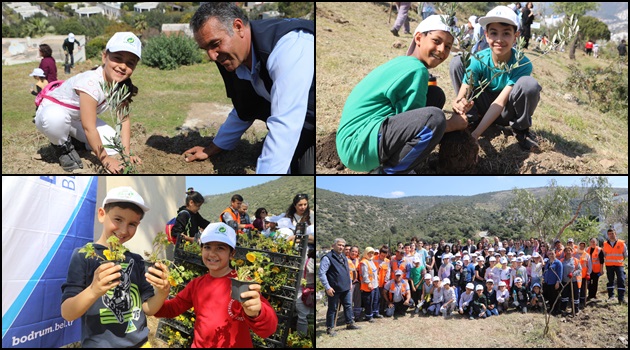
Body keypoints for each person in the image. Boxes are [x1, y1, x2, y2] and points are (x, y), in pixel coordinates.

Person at [184, 3, 314, 174]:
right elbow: (245, 107)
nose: (212, 56)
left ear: (238, 27)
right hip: (297, 122)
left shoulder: (288, 47)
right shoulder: (233, 58)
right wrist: (213, 148)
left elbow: (285, 124)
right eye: (205, 49)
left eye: (215, 43)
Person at [336, 15, 466, 174]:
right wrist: (452, 124)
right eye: (437, 41)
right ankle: (389, 172)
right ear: (418, 38)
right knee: (435, 118)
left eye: (447, 46)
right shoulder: (417, 70)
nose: (441, 50)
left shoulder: (404, 62)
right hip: (358, 147)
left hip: (354, 141)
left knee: (435, 95)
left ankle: (391, 160)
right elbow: (420, 124)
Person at [61, 186, 169, 347]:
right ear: (101, 214)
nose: (124, 230)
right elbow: (68, 313)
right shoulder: (84, 256)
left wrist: (162, 293)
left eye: (132, 224)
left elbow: (147, 309)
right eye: (118, 219)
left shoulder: (136, 260)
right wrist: (94, 290)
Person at [154, 222, 277, 347]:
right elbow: (169, 309)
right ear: (201, 249)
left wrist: (256, 313)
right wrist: (159, 294)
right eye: (207, 247)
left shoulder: (242, 284)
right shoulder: (196, 284)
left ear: (232, 253)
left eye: (220, 248)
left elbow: (268, 329)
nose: (212, 253)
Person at [35, 32, 143, 173]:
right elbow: (89, 127)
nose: (123, 66)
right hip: (50, 113)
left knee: (113, 144)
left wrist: (126, 153)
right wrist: (105, 160)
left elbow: (124, 120)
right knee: (55, 118)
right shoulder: (91, 83)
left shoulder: (120, 86)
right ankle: (63, 147)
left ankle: (76, 140)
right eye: (118, 58)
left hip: (77, 118)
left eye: (130, 63)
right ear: (104, 57)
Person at [450, 5, 542, 152]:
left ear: (516, 36)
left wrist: (475, 136)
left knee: (529, 85)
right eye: (494, 33)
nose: (499, 40)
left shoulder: (522, 64)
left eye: (506, 33)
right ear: (486, 35)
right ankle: (471, 119)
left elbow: (500, 102)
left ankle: (521, 130)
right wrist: (458, 104)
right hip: (481, 106)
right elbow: (463, 93)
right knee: (458, 61)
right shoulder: (478, 59)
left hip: (505, 112)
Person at [319, 238, 360, 337]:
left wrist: (349, 282)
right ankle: (330, 328)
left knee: (348, 305)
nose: (341, 247)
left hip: (345, 287)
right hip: (333, 289)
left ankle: (350, 323)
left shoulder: (344, 257)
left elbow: (346, 271)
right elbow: (322, 273)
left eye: (343, 245)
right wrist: (328, 287)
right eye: (339, 245)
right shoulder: (327, 258)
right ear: (333, 246)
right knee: (332, 308)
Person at [602, 228, 627, 304]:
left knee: (621, 280)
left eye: (612, 233)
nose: (611, 235)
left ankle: (621, 298)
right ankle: (611, 296)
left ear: (615, 234)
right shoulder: (605, 244)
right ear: (608, 235)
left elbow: (625, 255)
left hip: (619, 265)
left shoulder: (622, 243)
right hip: (609, 265)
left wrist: (619, 260)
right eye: (609, 234)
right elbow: (604, 255)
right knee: (610, 281)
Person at [358, 247, 380, 322]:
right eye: (369, 253)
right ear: (366, 253)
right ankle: (369, 316)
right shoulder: (364, 262)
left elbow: (373, 271)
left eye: (372, 253)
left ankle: (375, 313)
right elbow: (364, 275)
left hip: (375, 284)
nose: (371, 254)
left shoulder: (371, 261)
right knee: (369, 301)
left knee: (375, 300)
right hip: (368, 286)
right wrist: (369, 283)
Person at [296, 249, 314, 335]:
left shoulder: (307, 260)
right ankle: (303, 337)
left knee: (303, 316)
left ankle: (303, 336)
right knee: (304, 316)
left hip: (305, 289)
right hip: (306, 289)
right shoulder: (310, 262)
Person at [560, 246, 581, 316]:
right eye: (566, 251)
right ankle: (563, 309)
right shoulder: (561, 261)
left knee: (575, 296)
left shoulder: (575, 260)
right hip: (564, 281)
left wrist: (573, 274)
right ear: (564, 252)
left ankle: (575, 310)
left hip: (573, 281)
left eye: (569, 251)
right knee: (564, 296)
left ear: (572, 252)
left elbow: (579, 269)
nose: (568, 252)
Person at [543, 250, 563, 315]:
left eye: (552, 254)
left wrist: (558, 282)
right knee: (550, 297)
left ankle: (556, 309)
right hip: (548, 282)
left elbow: (560, 273)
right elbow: (545, 271)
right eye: (550, 254)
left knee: (555, 297)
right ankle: (551, 308)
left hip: (554, 283)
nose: (551, 255)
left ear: (555, 254)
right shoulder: (548, 263)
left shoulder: (558, 263)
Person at [374, 246, 391, 316]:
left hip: (383, 282)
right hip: (375, 282)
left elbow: (388, 272)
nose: (383, 257)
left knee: (382, 297)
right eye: (382, 255)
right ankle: (375, 311)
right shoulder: (374, 259)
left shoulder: (387, 261)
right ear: (379, 253)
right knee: (375, 298)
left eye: (385, 255)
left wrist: (386, 281)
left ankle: (381, 310)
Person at [574, 242, 592, 310]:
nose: (581, 247)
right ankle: (576, 301)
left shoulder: (587, 255)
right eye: (580, 246)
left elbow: (589, 265)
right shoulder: (575, 255)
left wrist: (588, 273)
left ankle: (583, 302)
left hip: (584, 275)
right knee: (577, 289)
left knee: (583, 290)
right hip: (577, 275)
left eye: (583, 246)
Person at [586, 237, 605, 301]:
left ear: (596, 242)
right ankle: (589, 294)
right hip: (588, 269)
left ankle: (593, 295)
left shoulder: (599, 250)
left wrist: (601, 270)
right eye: (591, 242)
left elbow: (602, 261)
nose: (593, 243)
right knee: (588, 283)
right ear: (589, 242)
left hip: (596, 270)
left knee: (595, 282)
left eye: (594, 242)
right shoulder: (587, 249)